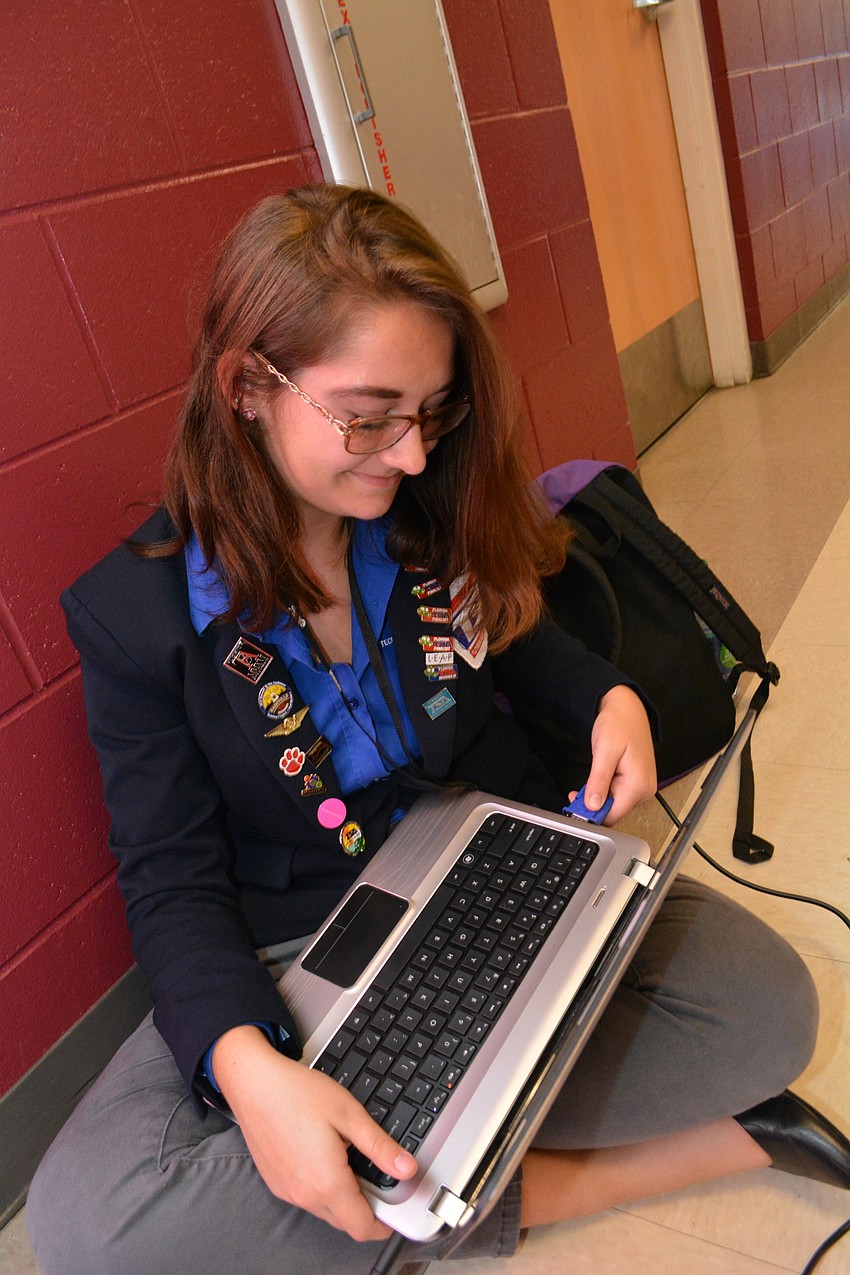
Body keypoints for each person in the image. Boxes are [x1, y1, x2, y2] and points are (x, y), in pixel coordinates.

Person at [27, 185, 836, 1275]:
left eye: (433, 413)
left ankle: (392, 1181)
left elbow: (527, 646)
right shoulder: (135, 620)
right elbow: (167, 878)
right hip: (301, 945)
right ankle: (672, 1156)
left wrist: (610, 698)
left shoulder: (419, 512)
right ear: (247, 387)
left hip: (494, 875)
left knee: (767, 1007)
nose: (409, 455)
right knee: (90, 1228)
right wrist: (246, 1066)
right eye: (367, 417)